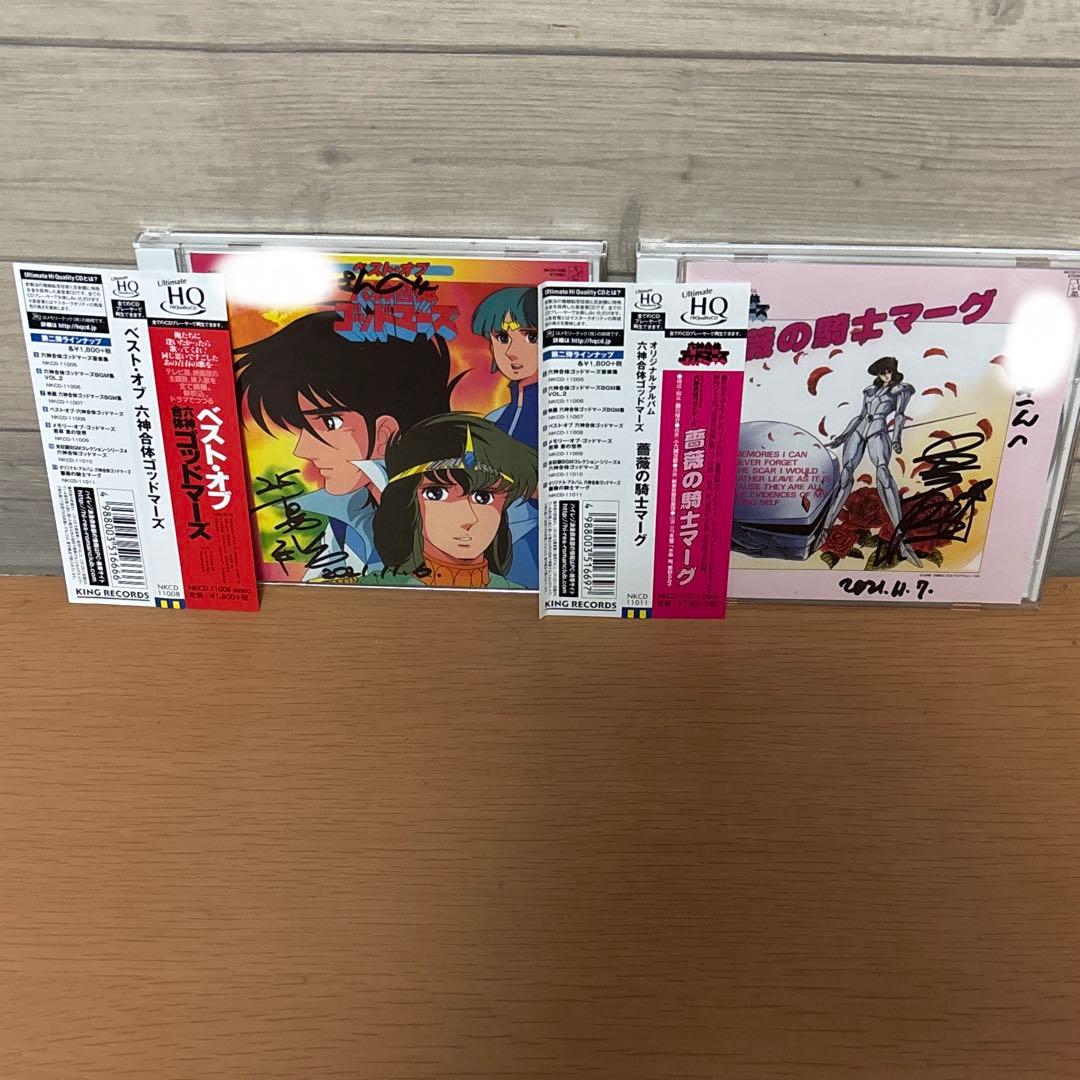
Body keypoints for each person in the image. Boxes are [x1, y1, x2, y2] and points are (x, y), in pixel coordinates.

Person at [235, 309, 456, 579]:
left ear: (385, 433)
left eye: (329, 423)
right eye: (302, 427)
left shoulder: (457, 513)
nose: (302, 450)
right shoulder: (348, 519)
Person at [361, 413, 537, 589]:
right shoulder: (374, 589)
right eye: (436, 494)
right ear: (407, 501)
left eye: (484, 497)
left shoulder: (516, 594)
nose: (468, 518)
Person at [821, 355, 920, 566]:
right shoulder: (869, 391)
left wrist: (896, 439)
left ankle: (902, 540)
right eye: (881, 372)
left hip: (877, 430)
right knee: (846, 475)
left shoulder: (901, 390)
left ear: (893, 371)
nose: (885, 375)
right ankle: (824, 529)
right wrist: (842, 437)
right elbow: (860, 416)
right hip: (859, 430)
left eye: (887, 371)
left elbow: (899, 415)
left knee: (883, 475)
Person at [472, 286, 539, 449]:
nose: (511, 352)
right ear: (492, 346)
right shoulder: (495, 419)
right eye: (502, 338)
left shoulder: (555, 416)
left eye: (532, 336)